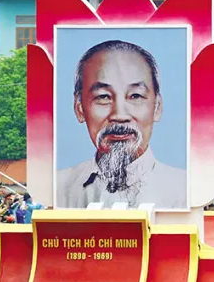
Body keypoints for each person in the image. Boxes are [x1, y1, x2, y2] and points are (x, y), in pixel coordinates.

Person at [56, 40, 186, 209]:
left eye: (135, 96)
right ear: (79, 107)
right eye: (103, 97)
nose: (119, 115)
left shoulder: (184, 189)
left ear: (157, 107)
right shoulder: (59, 187)